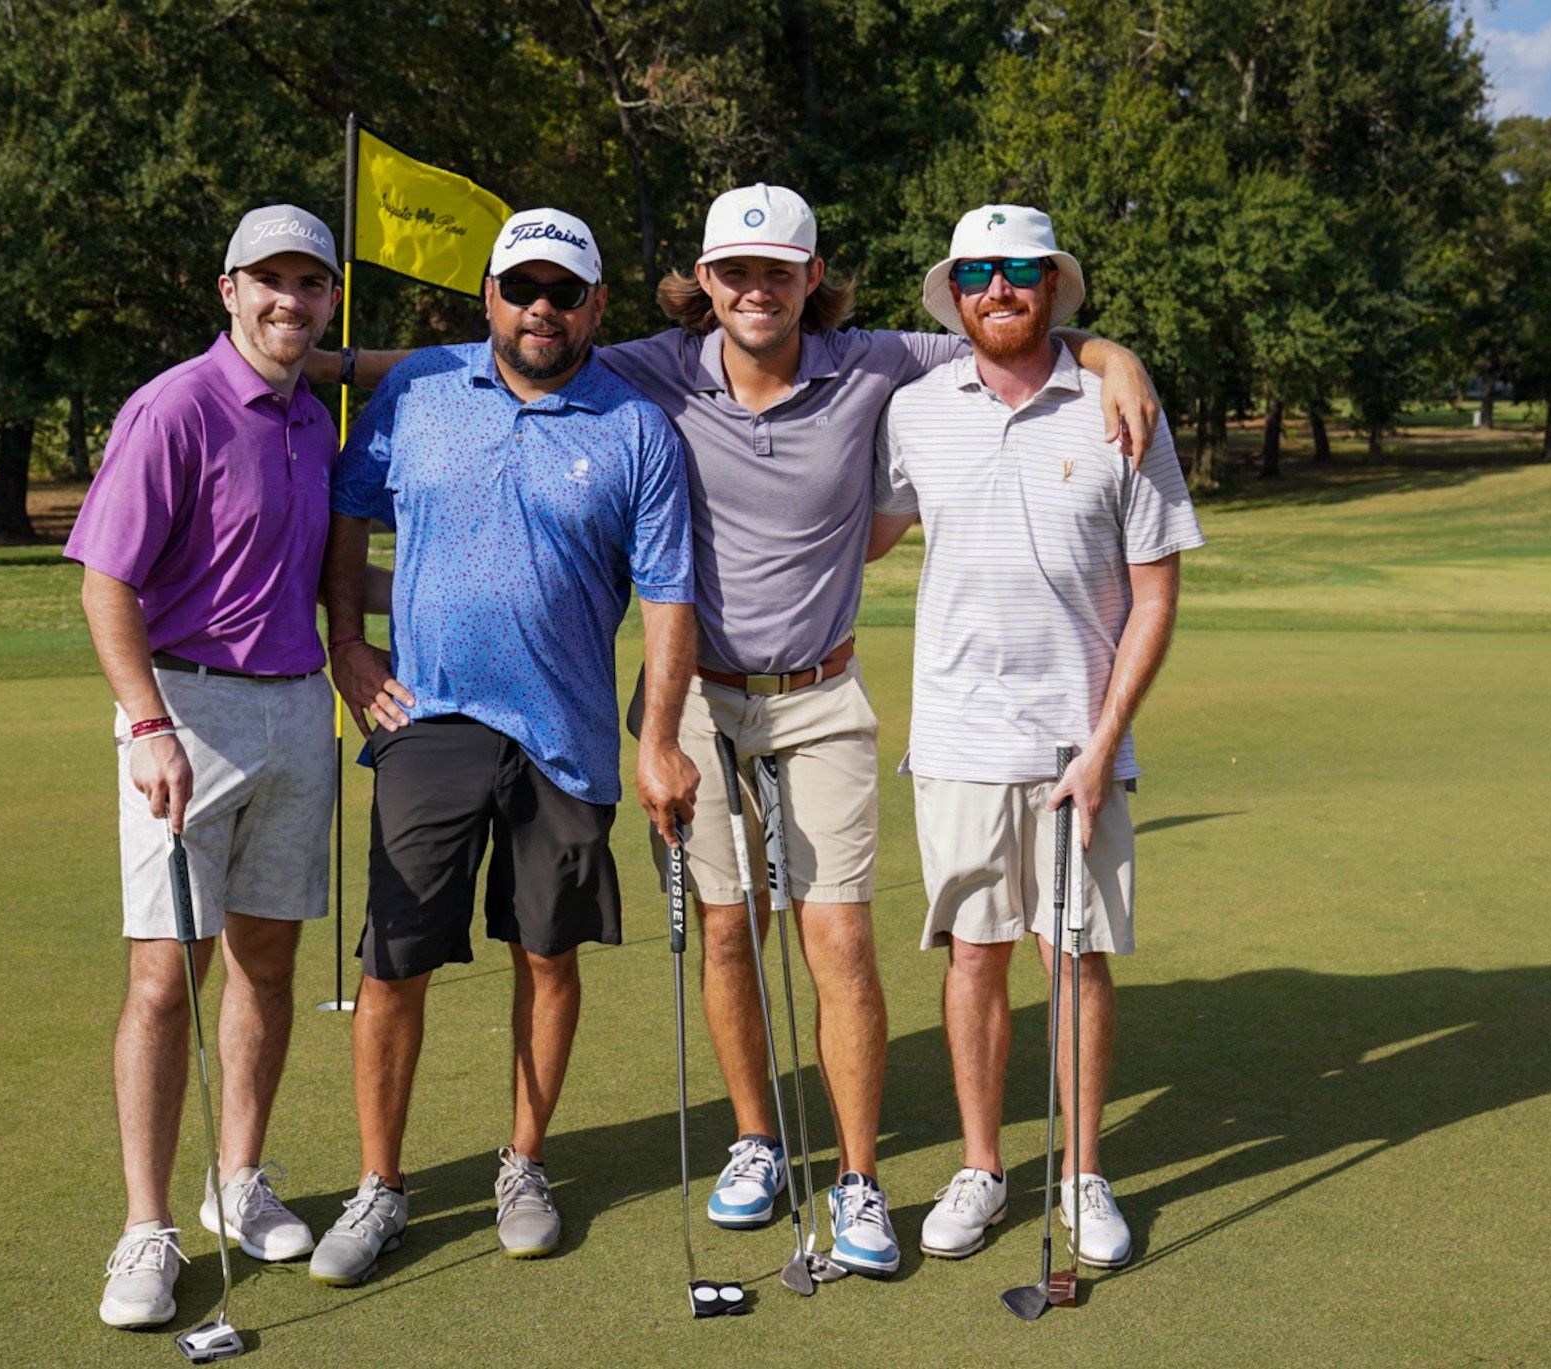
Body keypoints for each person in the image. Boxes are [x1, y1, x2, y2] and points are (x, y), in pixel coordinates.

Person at [309, 183, 1158, 1277]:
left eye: (778, 271)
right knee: (724, 928)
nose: (755, 290)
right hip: (700, 698)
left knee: (836, 937)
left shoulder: (870, 362)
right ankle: (756, 1140)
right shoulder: (648, 367)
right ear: (701, 285)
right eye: (733, 272)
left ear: (812, 279)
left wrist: (1106, 354)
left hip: (820, 694)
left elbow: (1001, 330)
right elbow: (496, 355)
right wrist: (312, 361)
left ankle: (854, 1178)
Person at [311, 208, 699, 1286]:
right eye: (520, 287)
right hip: (425, 716)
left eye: (562, 292)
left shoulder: (635, 429)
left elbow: (668, 597)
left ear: (595, 307)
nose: (540, 308)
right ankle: (380, 1184)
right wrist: (346, 643)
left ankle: (523, 1163)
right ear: (486, 294)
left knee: (547, 952)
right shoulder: (419, 389)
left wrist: (656, 738)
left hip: (565, 735)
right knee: (393, 960)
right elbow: (348, 511)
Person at [870, 204, 1204, 1270]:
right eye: (976, 273)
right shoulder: (915, 409)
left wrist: (1107, 741)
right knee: (973, 956)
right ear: (954, 291)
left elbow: (1155, 594)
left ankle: (1080, 1170)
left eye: (1019, 270)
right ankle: (980, 1165)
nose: (997, 289)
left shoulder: (1119, 409)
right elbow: (857, 532)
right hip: (959, 734)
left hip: (1077, 741)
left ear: (1052, 285)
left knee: (1076, 959)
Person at [68, 205, 380, 1329]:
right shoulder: (174, 408)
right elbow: (105, 582)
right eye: (269, 281)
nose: (289, 300)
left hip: (297, 709)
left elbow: (319, 576)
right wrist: (146, 724)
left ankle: (235, 1180)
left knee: (265, 961)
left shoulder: (315, 423)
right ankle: (144, 1225)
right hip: (184, 709)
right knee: (165, 976)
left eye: (310, 282)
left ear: (329, 298)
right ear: (228, 289)